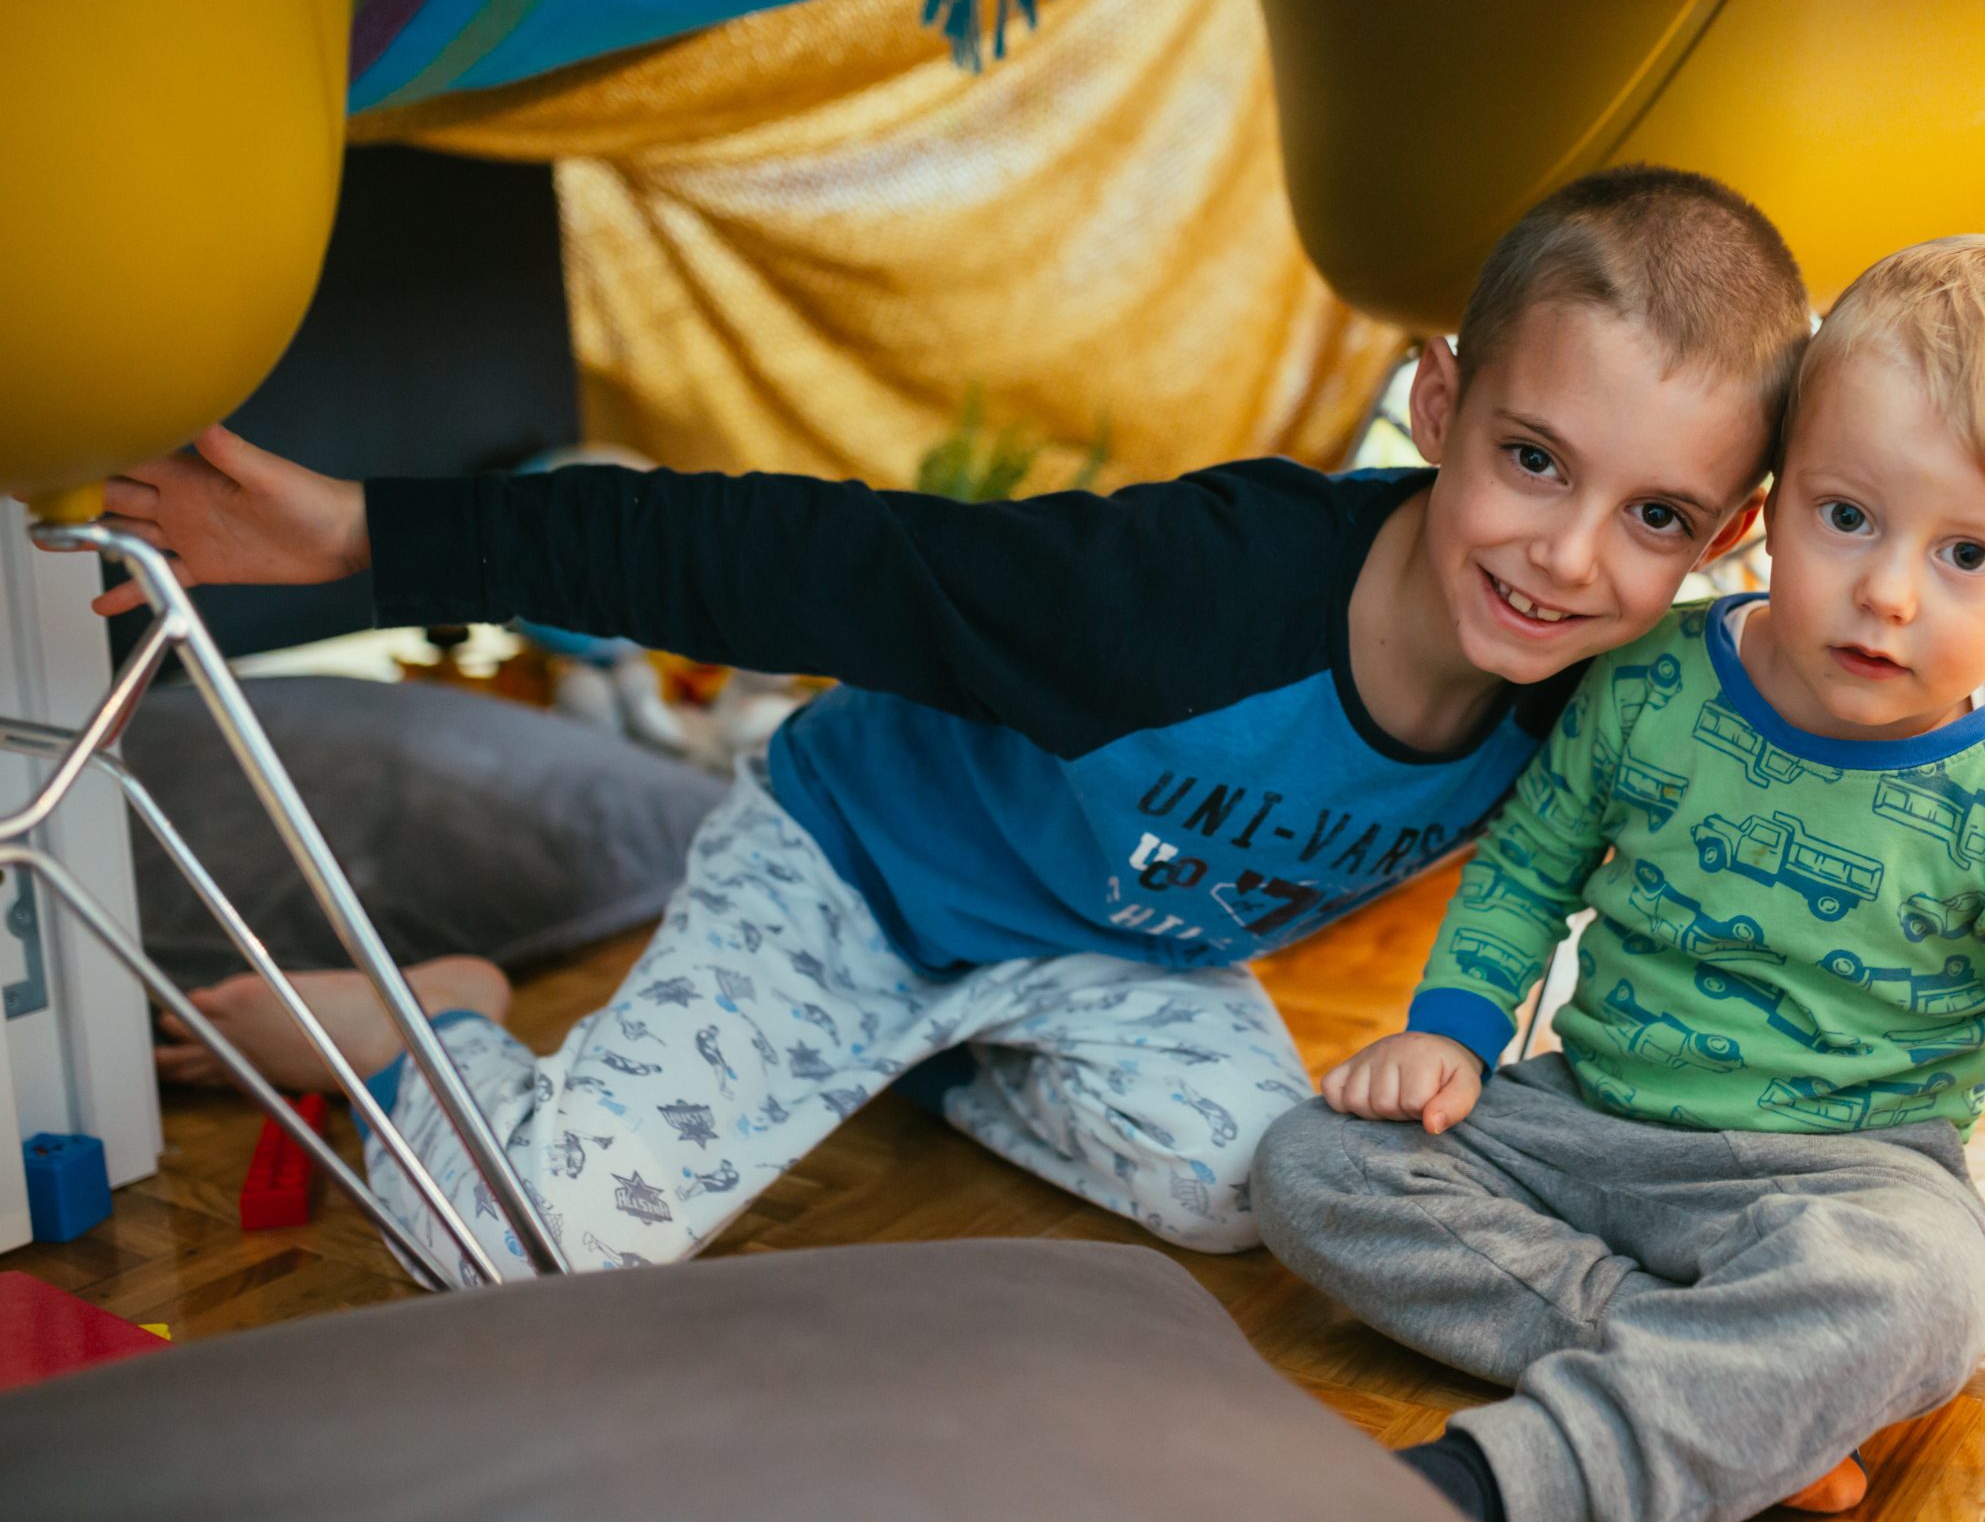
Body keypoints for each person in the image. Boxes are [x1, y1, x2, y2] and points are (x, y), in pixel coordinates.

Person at [80, 164, 1810, 1281]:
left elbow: (1905, 831)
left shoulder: (1622, 685)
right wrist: (369, 534)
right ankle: (425, 1037)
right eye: (1532, 460)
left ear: (1728, 535)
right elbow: (787, 558)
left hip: (1111, 956)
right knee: (503, 1249)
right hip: (858, 877)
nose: (1570, 558)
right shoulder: (1179, 595)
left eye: (1659, 516)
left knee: (1263, 1193)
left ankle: (960, 1066)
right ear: (1440, 401)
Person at [1253, 236, 1985, 1522]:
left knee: (1931, 1296)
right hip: (1581, 1120)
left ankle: (1513, 1478)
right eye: (1847, 517)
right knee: (1314, 1161)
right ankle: (1736, 1398)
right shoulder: (1646, 681)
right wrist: (1451, 1033)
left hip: (1848, 1184)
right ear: (1767, 510)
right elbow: (1526, 866)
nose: (1885, 592)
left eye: (1968, 557)